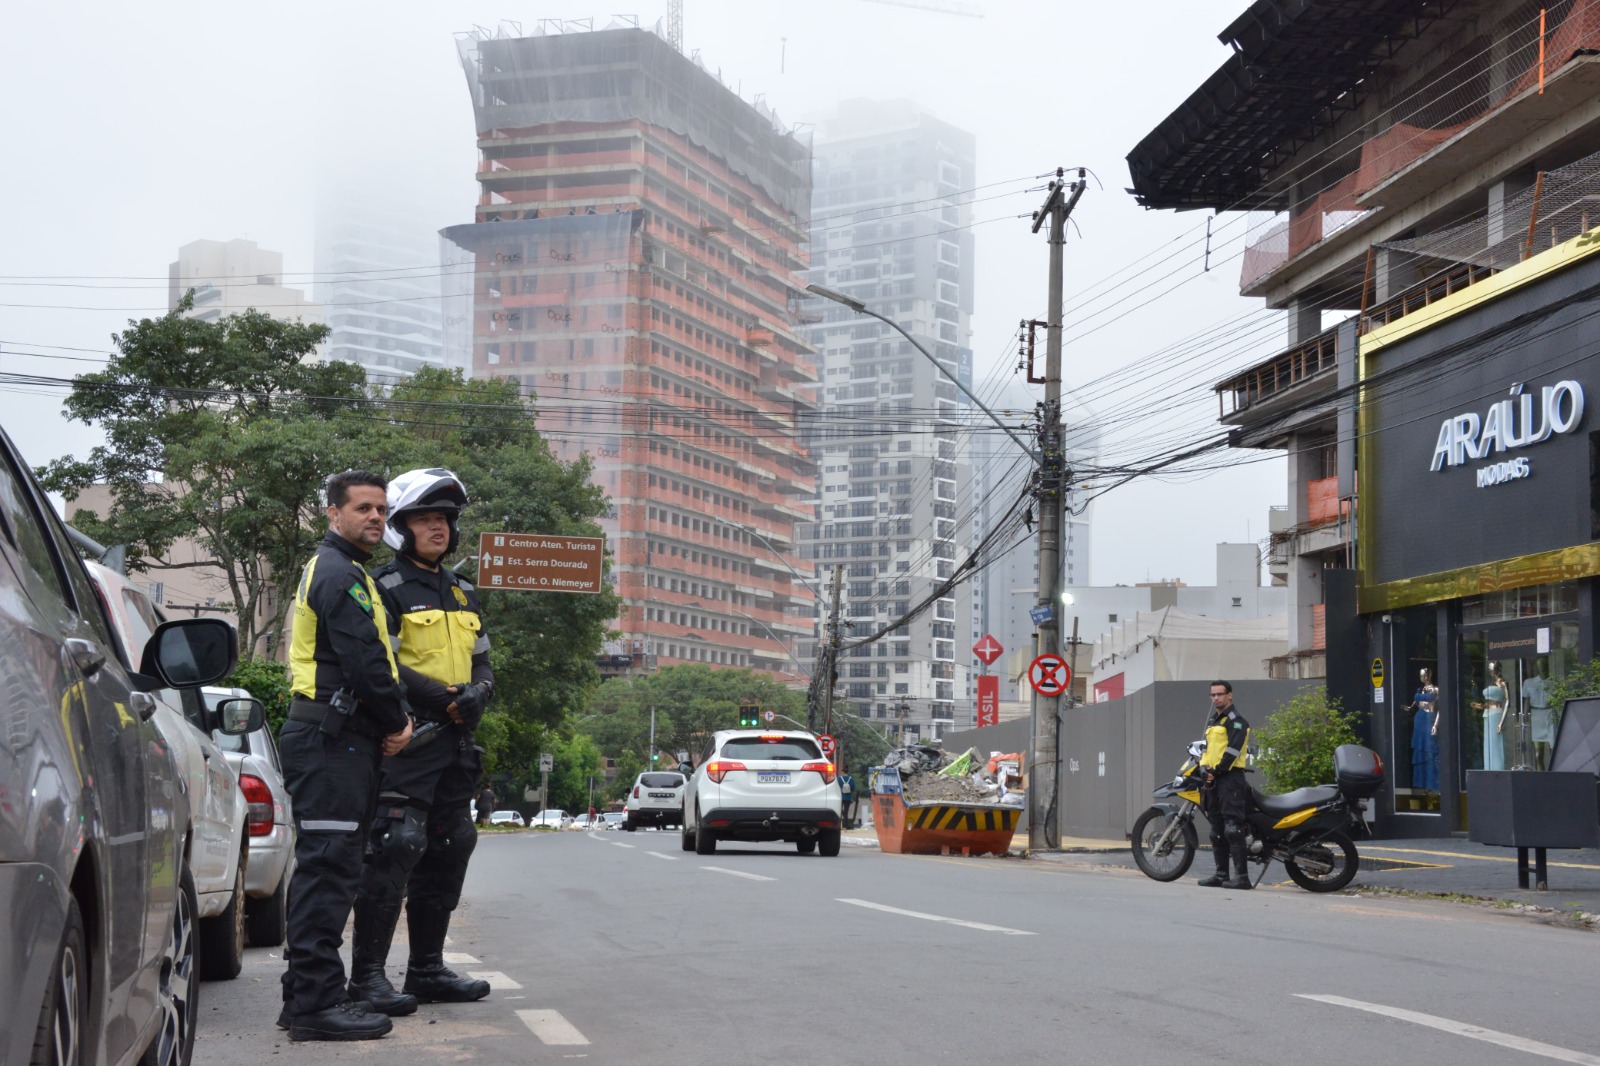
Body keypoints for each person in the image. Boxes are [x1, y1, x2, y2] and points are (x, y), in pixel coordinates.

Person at [349, 469, 495, 1015]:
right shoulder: (383, 588)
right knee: (395, 848)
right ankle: (367, 979)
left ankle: (427, 970)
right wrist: (442, 697)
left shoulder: (463, 591)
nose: (437, 529)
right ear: (401, 529)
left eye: (444, 521)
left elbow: (483, 663)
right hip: (407, 741)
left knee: (452, 844)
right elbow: (383, 662)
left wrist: (479, 693)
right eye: (425, 519)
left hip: (458, 745)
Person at [278, 470, 413, 1041]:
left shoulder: (349, 571)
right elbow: (364, 663)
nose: (376, 518)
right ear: (333, 514)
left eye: (382, 509)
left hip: (340, 741)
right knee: (328, 871)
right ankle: (314, 1006)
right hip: (332, 741)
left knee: (332, 868)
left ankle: (310, 998)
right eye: (363, 508)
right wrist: (398, 721)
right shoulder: (339, 573)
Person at [1195, 680, 1254, 890]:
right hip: (1213, 780)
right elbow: (1206, 749)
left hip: (1230, 779)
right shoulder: (1214, 721)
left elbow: (1233, 751)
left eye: (1220, 694)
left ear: (1230, 695)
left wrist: (1216, 771)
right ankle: (1221, 874)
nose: (1216, 698)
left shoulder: (1236, 721)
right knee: (1216, 829)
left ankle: (1242, 877)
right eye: (1213, 695)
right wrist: (1203, 769)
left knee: (1233, 827)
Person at [1408, 668, 1440, 792]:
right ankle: (1421, 785)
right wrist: (1409, 708)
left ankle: (1433, 784)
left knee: (1431, 751)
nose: (1422, 678)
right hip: (1419, 719)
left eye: (1423, 675)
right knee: (1420, 752)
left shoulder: (1436, 690)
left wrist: (1436, 725)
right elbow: (1415, 704)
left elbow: (1440, 709)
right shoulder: (1420, 690)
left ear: (1427, 675)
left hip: (1430, 718)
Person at [1482, 663, 1508, 771]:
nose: (1490, 671)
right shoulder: (1491, 683)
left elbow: (1507, 701)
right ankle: (1488, 769)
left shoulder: (1503, 683)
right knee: (1488, 743)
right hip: (1487, 713)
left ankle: (1498, 769)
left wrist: (1501, 722)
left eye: (1491, 669)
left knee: (1496, 743)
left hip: (1497, 714)